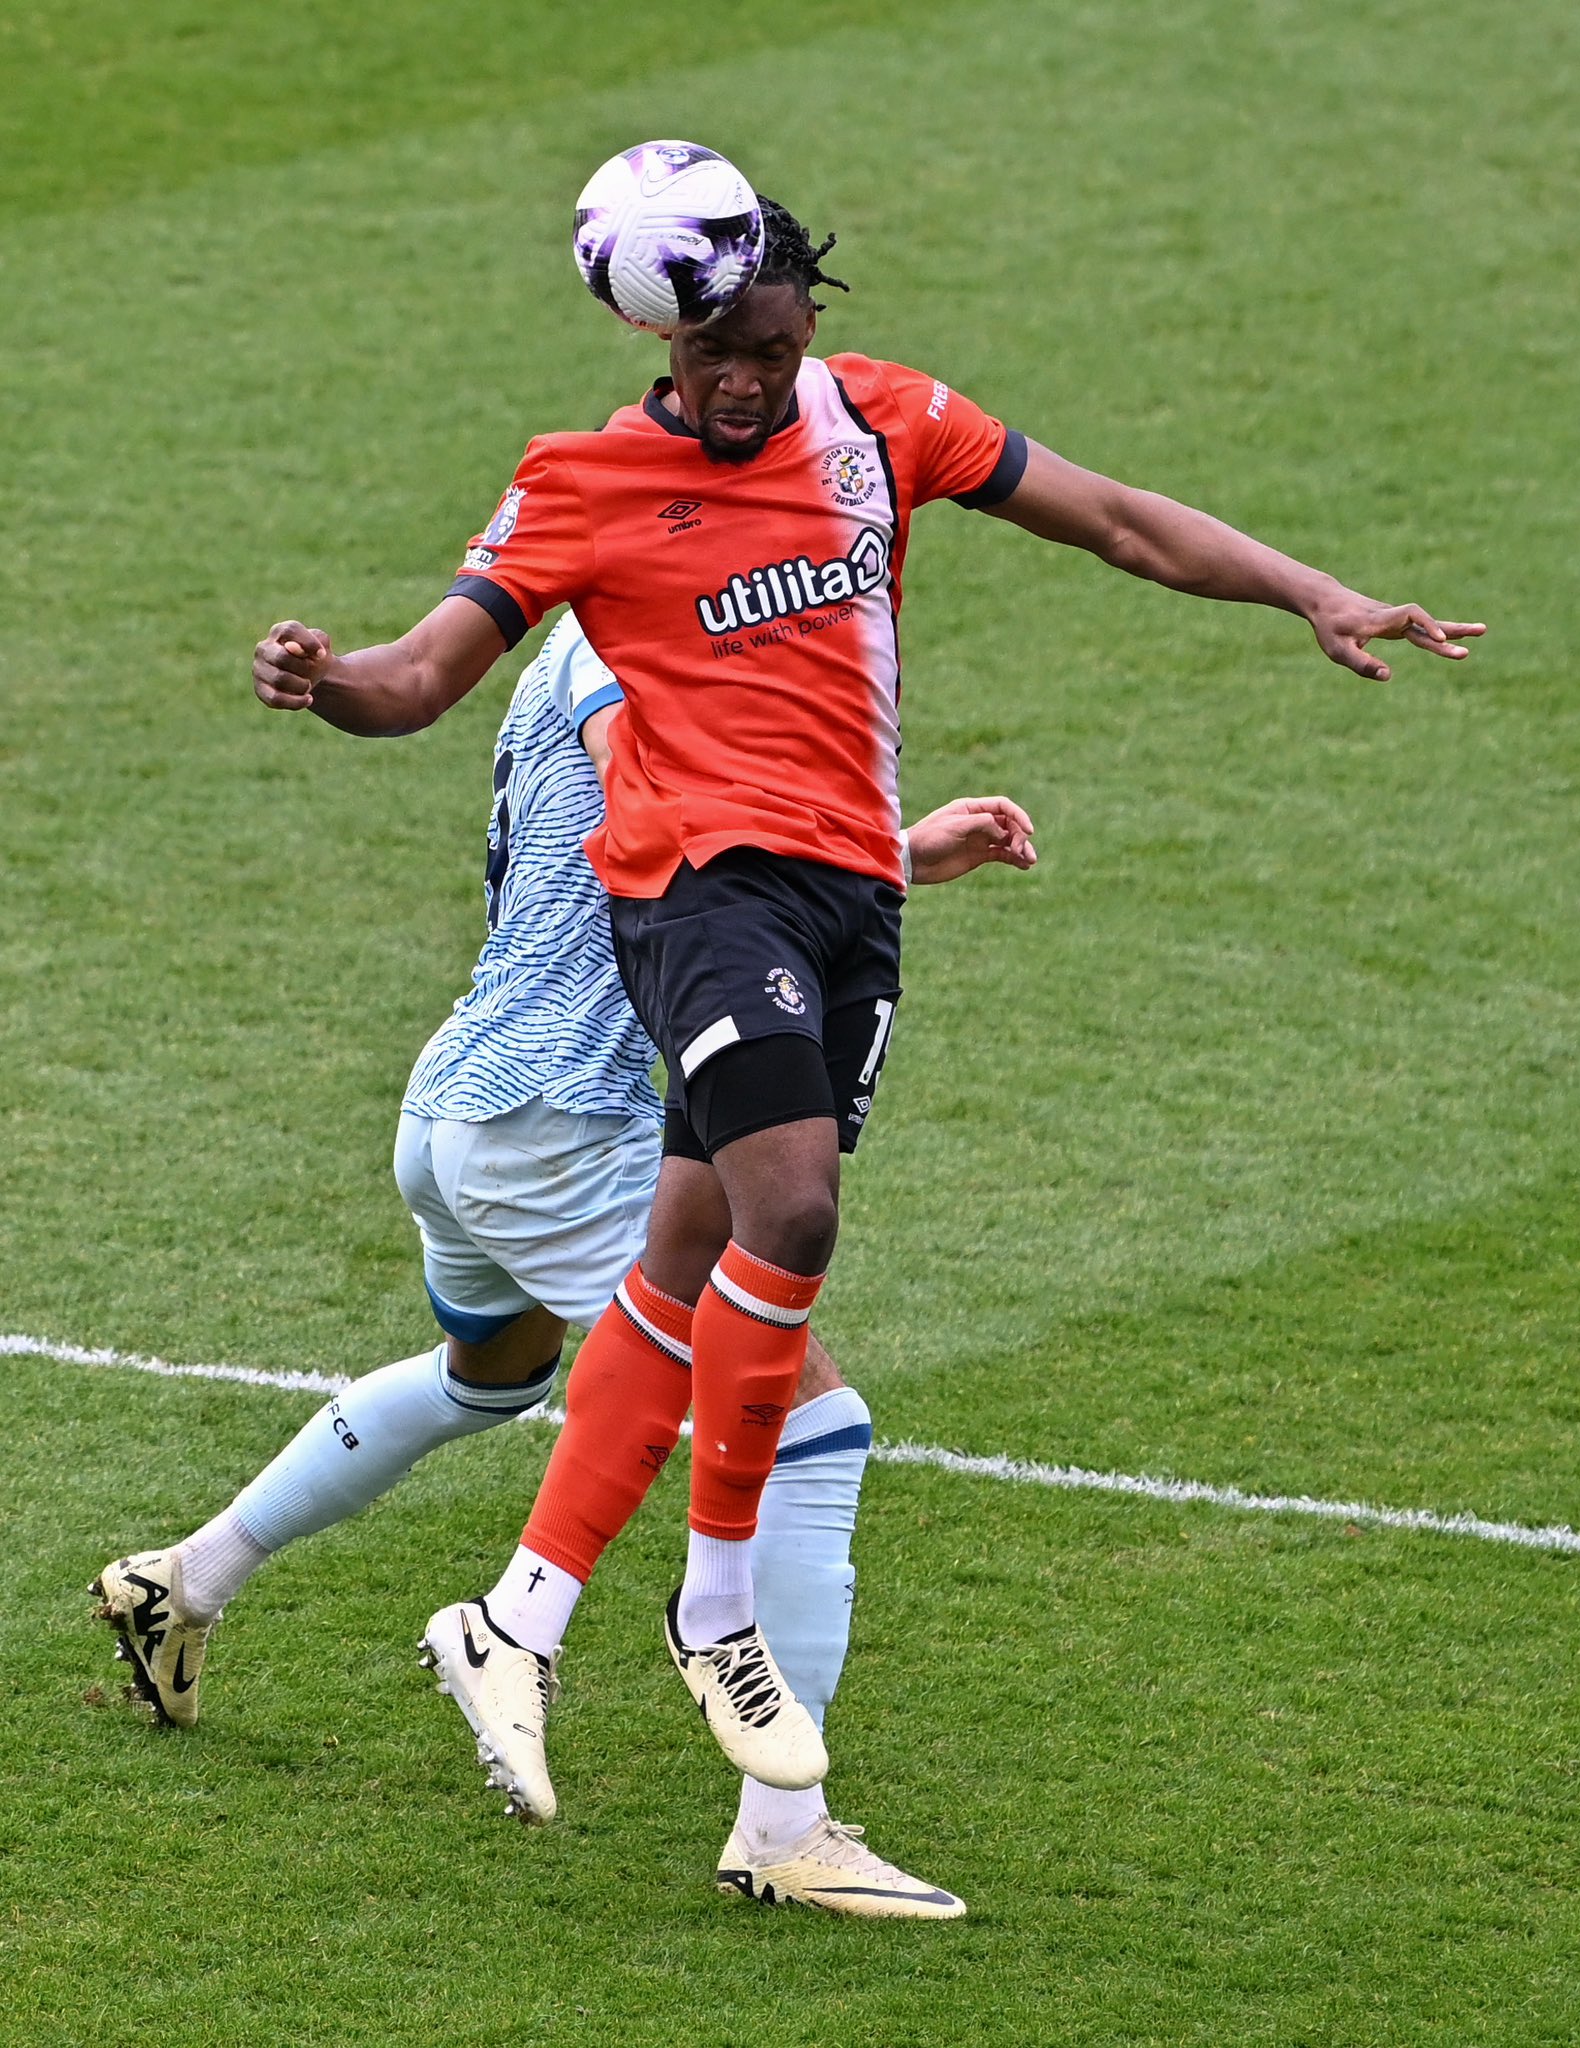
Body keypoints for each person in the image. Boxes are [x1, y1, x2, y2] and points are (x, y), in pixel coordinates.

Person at [249, 187, 1483, 1806]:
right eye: (713, 355)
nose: (746, 382)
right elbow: (416, 679)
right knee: (796, 1215)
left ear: (803, 320)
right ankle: (712, 1620)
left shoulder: (885, 421)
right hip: (698, 887)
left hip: (848, 900)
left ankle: (517, 1616)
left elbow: (1114, 518)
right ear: (655, 337)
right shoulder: (584, 480)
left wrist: (1309, 591)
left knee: (687, 1255)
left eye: (770, 345)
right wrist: (324, 679)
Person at [95, 608, 1032, 1918]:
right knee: (813, 1422)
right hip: (557, 1118)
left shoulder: (615, 624)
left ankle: (180, 1582)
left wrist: (892, 850)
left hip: (467, 1097)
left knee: (492, 1376)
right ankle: (784, 1827)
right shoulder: (633, 640)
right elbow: (671, 807)